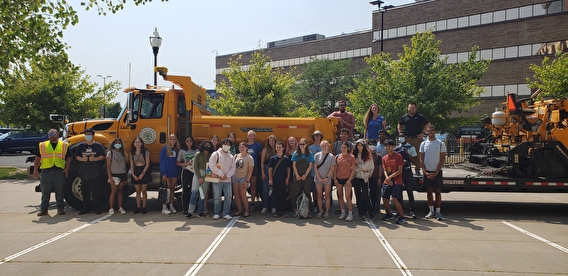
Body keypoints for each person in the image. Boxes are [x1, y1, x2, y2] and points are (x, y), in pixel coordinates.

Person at [34, 129, 72, 216]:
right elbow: (37, 158)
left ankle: (60, 209)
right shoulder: (42, 145)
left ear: (58, 135)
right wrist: (36, 170)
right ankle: (44, 210)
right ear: (48, 136)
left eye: (54, 134)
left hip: (59, 171)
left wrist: (67, 169)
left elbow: (69, 158)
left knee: (60, 191)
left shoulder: (64, 145)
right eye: (50, 134)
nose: (52, 136)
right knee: (45, 192)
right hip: (46, 171)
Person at [75, 128, 106, 215]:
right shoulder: (81, 146)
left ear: (93, 135)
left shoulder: (98, 146)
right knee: (85, 192)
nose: (88, 136)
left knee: (96, 192)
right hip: (84, 172)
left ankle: (97, 208)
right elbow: (76, 156)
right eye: (86, 134)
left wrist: (94, 159)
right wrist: (82, 159)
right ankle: (86, 208)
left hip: (96, 173)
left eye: (89, 134)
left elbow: (103, 156)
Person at [420, 125, 447, 220]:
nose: (430, 132)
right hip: (427, 171)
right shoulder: (423, 144)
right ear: (426, 132)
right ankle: (431, 211)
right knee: (429, 191)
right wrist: (424, 171)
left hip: (437, 172)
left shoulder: (440, 143)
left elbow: (442, 159)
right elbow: (421, 158)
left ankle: (438, 212)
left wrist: (436, 172)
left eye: (432, 130)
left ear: (435, 132)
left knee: (438, 192)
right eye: (429, 131)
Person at [398, 102, 431, 175]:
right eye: (410, 107)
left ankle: (417, 169)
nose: (411, 109)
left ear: (416, 108)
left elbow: (428, 124)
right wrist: (401, 133)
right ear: (408, 108)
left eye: (413, 108)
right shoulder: (404, 117)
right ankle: (407, 168)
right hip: (407, 139)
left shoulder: (419, 116)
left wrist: (423, 133)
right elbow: (399, 125)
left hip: (417, 139)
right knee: (406, 154)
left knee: (418, 154)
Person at [209, 138, 236, 220]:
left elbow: (233, 168)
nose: (227, 146)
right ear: (222, 145)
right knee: (217, 197)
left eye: (229, 145)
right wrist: (221, 174)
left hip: (227, 180)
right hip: (217, 179)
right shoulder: (215, 154)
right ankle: (216, 213)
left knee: (228, 197)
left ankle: (226, 213)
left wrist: (226, 176)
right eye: (225, 144)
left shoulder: (231, 156)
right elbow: (212, 166)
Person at [381, 139, 407, 224]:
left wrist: (391, 177)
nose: (388, 147)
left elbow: (400, 170)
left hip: (397, 181)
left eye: (390, 146)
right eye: (386, 146)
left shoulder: (398, 156)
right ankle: (389, 214)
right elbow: (384, 170)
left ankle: (402, 216)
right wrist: (387, 178)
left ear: (393, 146)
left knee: (394, 199)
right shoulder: (384, 158)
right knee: (385, 198)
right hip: (387, 180)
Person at [186, 140, 214, 219]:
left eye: (209, 145)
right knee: (194, 194)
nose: (207, 147)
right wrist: (199, 177)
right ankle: (190, 212)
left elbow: (211, 167)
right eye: (206, 145)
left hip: (206, 175)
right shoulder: (198, 154)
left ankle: (200, 212)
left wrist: (205, 177)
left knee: (202, 195)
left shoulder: (211, 156)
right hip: (197, 175)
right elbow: (195, 167)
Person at [395, 131, 418, 219]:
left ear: (406, 138)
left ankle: (412, 211)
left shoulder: (411, 148)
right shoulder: (397, 148)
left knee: (409, 191)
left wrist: (407, 153)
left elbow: (414, 161)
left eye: (403, 136)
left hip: (408, 171)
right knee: (399, 192)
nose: (401, 138)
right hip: (400, 172)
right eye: (400, 136)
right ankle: (400, 211)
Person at [291, 137, 314, 218]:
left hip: (306, 177)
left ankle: (307, 211)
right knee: (296, 193)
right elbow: (294, 165)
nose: (302, 146)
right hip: (297, 176)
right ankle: (296, 210)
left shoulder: (310, 154)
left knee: (307, 193)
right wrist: (297, 175)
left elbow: (310, 165)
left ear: (306, 145)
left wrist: (305, 174)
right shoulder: (295, 154)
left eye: (303, 144)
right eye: (300, 144)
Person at [352, 139, 375, 220]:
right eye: (358, 145)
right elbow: (353, 166)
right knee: (358, 196)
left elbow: (367, 166)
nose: (359, 147)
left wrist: (358, 166)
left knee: (366, 196)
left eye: (361, 145)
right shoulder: (354, 154)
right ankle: (360, 212)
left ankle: (371, 213)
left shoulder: (368, 154)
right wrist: (359, 167)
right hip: (356, 177)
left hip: (364, 177)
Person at [333, 141, 355, 222]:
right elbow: (335, 169)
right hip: (339, 179)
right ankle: (342, 212)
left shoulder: (351, 157)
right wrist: (335, 179)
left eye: (345, 147)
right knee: (340, 196)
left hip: (347, 179)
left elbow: (353, 170)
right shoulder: (337, 157)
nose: (343, 149)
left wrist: (349, 179)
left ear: (348, 148)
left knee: (348, 197)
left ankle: (350, 213)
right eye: (342, 147)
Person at [268, 141, 291, 217]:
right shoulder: (273, 158)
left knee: (283, 195)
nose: (278, 149)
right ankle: (278, 211)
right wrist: (270, 179)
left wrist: (287, 178)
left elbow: (288, 169)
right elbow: (270, 169)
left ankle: (283, 211)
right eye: (277, 147)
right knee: (276, 195)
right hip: (275, 179)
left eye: (280, 147)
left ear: (283, 148)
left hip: (283, 179)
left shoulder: (286, 159)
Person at [313, 140, 335, 219]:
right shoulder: (316, 155)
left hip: (327, 179)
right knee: (319, 195)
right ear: (320, 146)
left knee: (327, 195)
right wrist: (318, 177)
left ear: (327, 146)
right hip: (318, 178)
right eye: (322, 146)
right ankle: (320, 211)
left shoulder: (331, 156)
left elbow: (332, 168)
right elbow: (315, 167)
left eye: (325, 145)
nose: (324, 147)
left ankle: (326, 212)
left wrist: (327, 177)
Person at [160, 134, 181, 215]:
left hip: (174, 171)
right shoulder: (164, 149)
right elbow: (162, 161)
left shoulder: (177, 150)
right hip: (167, 172)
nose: (172, 141)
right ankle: (164, 207)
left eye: (174, 139)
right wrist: (164, 172)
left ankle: (171, 205)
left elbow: (179, 161)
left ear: (176, 141)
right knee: (167, 189)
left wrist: (179, 171)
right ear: (168, 140)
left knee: (172, 189)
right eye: (171, 139)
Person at [106, 138, 128, 215]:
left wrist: (126, 177)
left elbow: (125, 165)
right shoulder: (110, 153)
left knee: (120, 191)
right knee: (113, 192)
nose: (118, 144)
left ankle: (120, 207)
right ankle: (111, 208)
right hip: (114, 174)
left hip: (122, 174)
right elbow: (108, 166)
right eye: (116, 142)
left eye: (119, 143)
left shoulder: (124, 153)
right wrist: (110, 177)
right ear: (113, 144)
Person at [130, 137, 152, 214]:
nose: (137, 143)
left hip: (144, 171)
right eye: (136, 142)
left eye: (139, 142)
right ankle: (138, 207)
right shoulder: (132, 153)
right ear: (134, 144)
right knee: (138, 191)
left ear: (142, 143)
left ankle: (144, 207)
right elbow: (132, 165)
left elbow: (147, 164)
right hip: (136, 170)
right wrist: (133, 174)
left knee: (144, 191)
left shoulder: (145, 152)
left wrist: (142, 174)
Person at [233, 142, 254, 217]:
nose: (241, 149)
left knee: (243, 194)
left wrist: (247, 181)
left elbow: (250, 171)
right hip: (235, 177)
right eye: (240, 147)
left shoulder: (249, 158)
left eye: (243, 147)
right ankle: (239, 210)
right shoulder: (236, 156)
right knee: (236, 194)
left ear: (246, 148)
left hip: (243, 177)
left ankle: (247, 210)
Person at [177, 136, 197, 215]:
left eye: (190, 141)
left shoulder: (196, 151)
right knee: (185, 189)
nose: (189, 142)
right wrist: (186, 164)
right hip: (185, 171)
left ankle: (192, 207)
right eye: (187, 141)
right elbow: (178, 163)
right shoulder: (182, 151)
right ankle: (184, 207)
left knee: (193, 190)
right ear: (185, 142)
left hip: (194, 172)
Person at [260, 135, 278, 215]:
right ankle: (265, 207)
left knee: (274, 190)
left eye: (273, 140)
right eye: (270, 140)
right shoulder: (265, 150)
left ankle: (273, 207)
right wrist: (263, 172)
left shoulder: (278, 149)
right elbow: (262, 162)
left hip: (275, 171)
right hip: (266, 170)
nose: (271, 142)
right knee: (266, 190)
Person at [246, 130, 263, 211]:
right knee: (244, 186)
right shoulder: (244, 145)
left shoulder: (257, 145)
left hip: (254, 167)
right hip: (245, 168)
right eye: (249, 135)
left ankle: (252, 203)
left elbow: (261, 156)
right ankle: (245, 203)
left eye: (252, 135)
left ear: (254, 137)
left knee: (253, 185)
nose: (250, 137)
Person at [309, 130, 323, 213]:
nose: (317, 137)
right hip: (313, 172)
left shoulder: (324, 146)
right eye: (315, 135)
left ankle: (319, 205)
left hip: (322, 173)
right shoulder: (310, 148)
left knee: (320, 191)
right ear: (313, 137)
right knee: (314, 191)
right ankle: (315, 206)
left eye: (319, 135)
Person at [367, 139, 382, 215]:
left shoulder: (378, 156)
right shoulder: (365, 155)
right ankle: (366, 208)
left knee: (374, 194)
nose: (372, 146)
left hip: (375, 177)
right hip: (366, 177)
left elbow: (379, 167)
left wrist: (379, 178)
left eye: (373, 144)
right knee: (366, 193)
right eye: (370, 144)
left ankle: (373, 209)